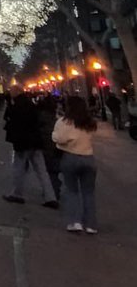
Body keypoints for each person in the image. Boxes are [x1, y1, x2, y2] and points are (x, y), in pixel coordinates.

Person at [53, 94, 98, 233]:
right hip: (88, 158)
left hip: (70, 157)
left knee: (72, 191)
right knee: (88, 193)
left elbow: (59, 139)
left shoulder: (64, 122)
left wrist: (55, 135)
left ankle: (75, 221)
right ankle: (91, 225)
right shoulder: (90, 122)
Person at [3, 91, 58, 208]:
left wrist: (9, 104)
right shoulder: (32, 106)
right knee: (42, 171)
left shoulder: (16, 108)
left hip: (23, 144)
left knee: (19, 169)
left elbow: (9, 119)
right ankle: (50, 197)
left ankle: (17, 194)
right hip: (36, 143)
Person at [36, 93, 62, 200]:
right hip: (56, 148)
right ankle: (55, 189)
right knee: (53, 171)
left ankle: (53, 192)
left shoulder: (39, 120)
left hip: (46, 148)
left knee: (49, 171)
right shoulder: (56, 121)